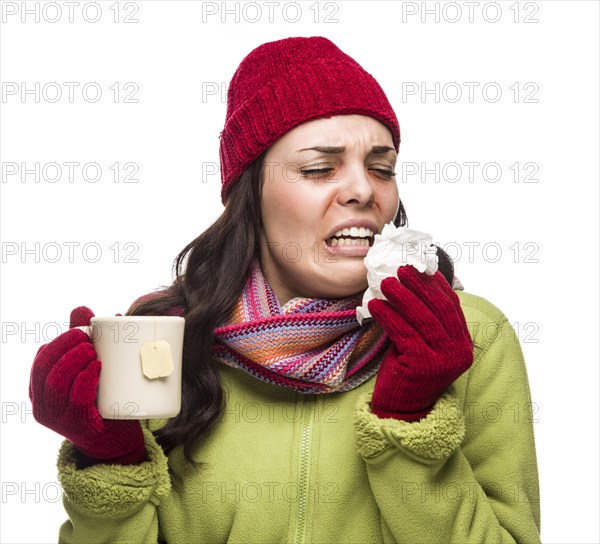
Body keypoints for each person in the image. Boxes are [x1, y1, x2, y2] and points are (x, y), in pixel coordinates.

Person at [29, 36, 541, 543]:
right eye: (320, 168)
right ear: (251, 193)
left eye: (382, 168)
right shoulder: (159, 342)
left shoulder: (470, 335)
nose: (365, 190)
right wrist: (111, 462)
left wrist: (411, 422)